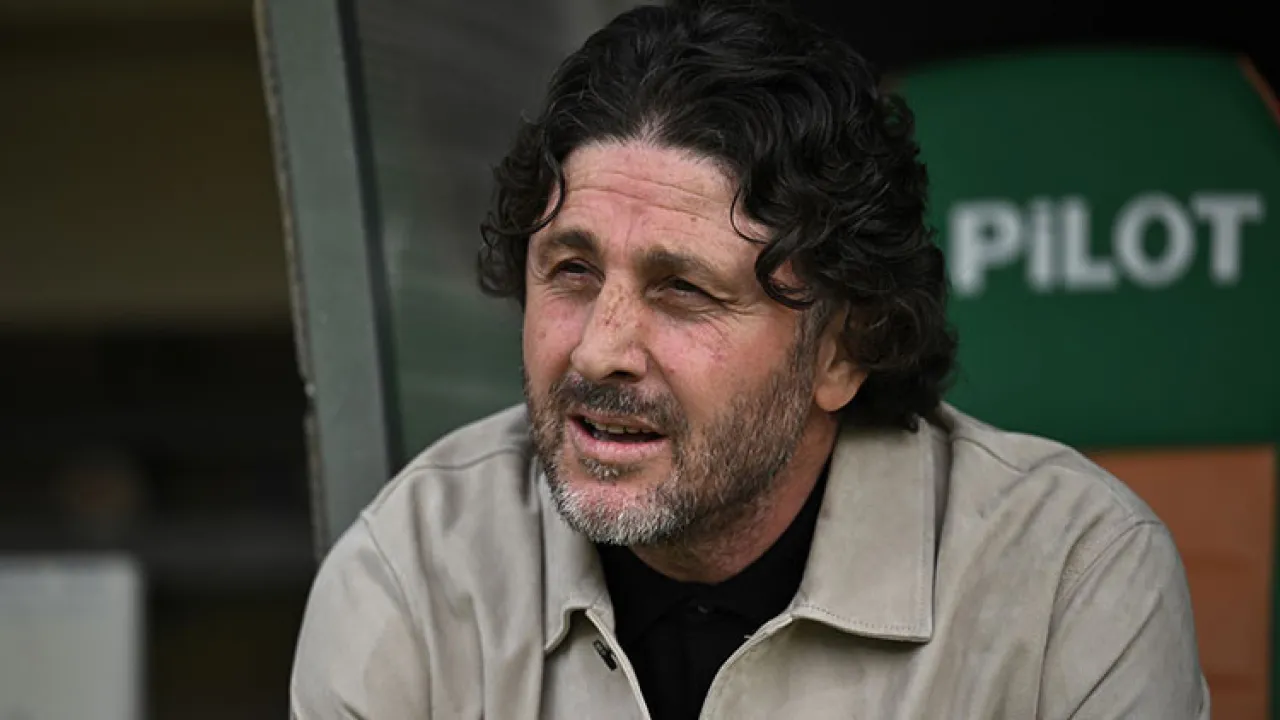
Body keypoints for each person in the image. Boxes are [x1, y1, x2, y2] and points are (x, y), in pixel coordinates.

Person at [289, 1, 1209, 718]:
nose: (601, 349)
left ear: (843, 347)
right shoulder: (410, 577)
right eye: (571, 270)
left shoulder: (1070, 585)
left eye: (683, 289)